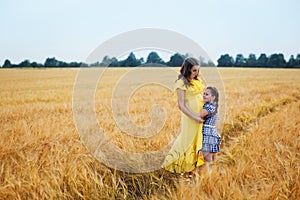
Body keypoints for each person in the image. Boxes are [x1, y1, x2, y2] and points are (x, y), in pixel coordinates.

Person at [162, 57, 206, 174]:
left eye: (198, 70)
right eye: (194, 70)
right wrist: (195, 117)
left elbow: (201, 96)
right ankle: (175, 163)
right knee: (187, 139)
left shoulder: (197, 81)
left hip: (200, 115)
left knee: (198, 138)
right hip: (191, 117)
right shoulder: (181, 83)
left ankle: (194, 164)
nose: (197, 73)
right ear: (187, 70)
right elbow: (181, 105)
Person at [199, 86, 221, 171]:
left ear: (213, 97)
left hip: (207, 133)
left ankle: (210, 177)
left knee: (207, 159)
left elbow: (198, 115)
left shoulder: (209, 107)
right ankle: (214, 175)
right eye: (204, 93)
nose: (204, 95)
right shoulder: (213, 106)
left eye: (207, 94)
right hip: (212, 132)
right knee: (212, 159)